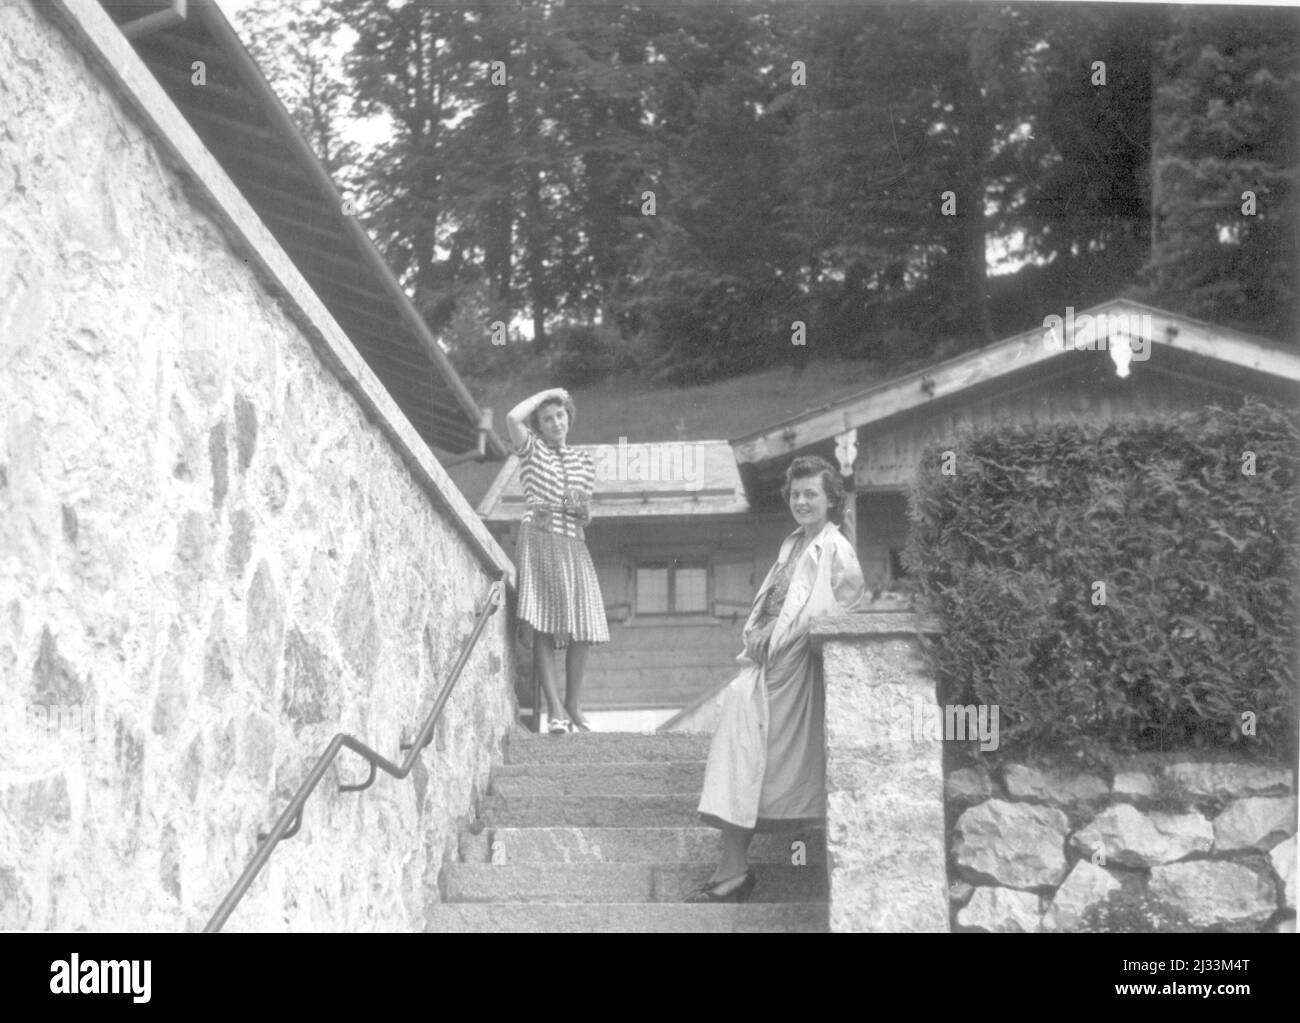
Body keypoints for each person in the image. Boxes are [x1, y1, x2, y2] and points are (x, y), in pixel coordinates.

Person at [686, 454, 865, 901]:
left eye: (812, 494)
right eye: (796, 493)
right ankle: (733, 868)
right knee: (739, 754)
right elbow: (773, 604)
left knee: (756, 761)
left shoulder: (835, 547)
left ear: (830, 500)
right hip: (764, 668)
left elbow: (851, 605)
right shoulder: (792, 545)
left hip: (793, 673)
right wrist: (762, 630)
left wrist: (800, 633)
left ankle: (734, 870)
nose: (802, 501)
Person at [505, 387, 609, 734]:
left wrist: (583, 511)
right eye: (548, 418)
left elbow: (585, 512)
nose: (556, 422)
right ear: (540, 424)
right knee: (546, 626)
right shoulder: (531, 449)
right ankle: (555, 710)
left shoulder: (583, 460)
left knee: (584, 625)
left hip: (574, 543)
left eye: (560, 415)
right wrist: (548, 394)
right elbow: (511, 418)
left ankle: (574, 704)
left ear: (569, 418)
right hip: (541, 537)